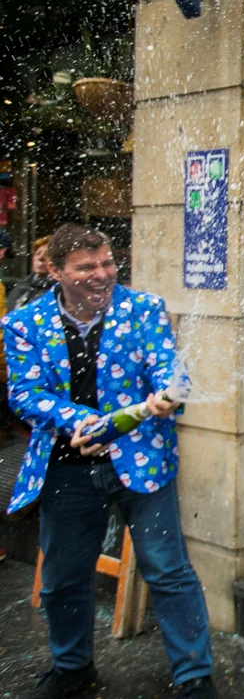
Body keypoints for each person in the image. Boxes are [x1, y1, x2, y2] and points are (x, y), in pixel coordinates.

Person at [6, 224, 215, 699]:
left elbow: (167, 364)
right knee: (61, 579)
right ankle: (72, 667)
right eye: (86, 267)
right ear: (56, 271)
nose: (102, 274)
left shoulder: (143, 309)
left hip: (142, 464)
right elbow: (24, 394)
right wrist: (83, 422)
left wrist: (169, 391)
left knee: (168, 570)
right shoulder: (24, 323)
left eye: (107, 263)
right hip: (65, 470)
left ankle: (194, 676)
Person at [9, 235, 57, 312]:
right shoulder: (23, 285)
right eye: (38, 253)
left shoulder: (59, 290)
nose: (40, 258)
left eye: (48, 254)